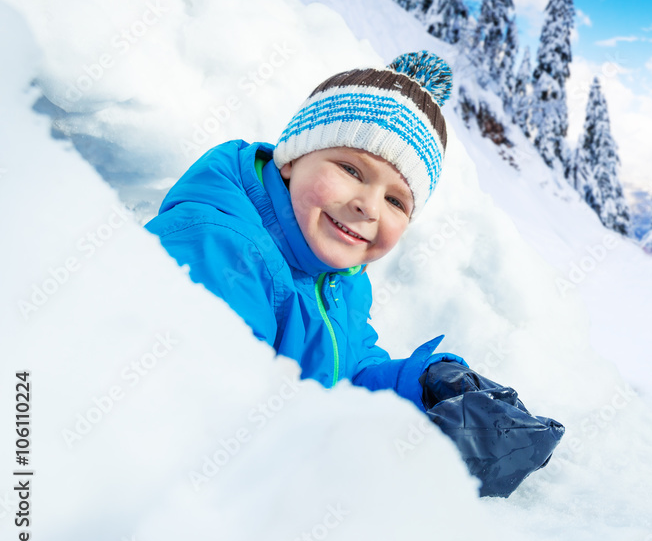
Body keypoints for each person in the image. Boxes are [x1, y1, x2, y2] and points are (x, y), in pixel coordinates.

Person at [146, 51, 465, 411]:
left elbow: (350, 368)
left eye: (395, 201)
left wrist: (423, 390)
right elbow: (203, 421)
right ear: (292, 159)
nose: (369, 207)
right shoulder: (223, 252)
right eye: (352, 170)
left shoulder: (341, 278)